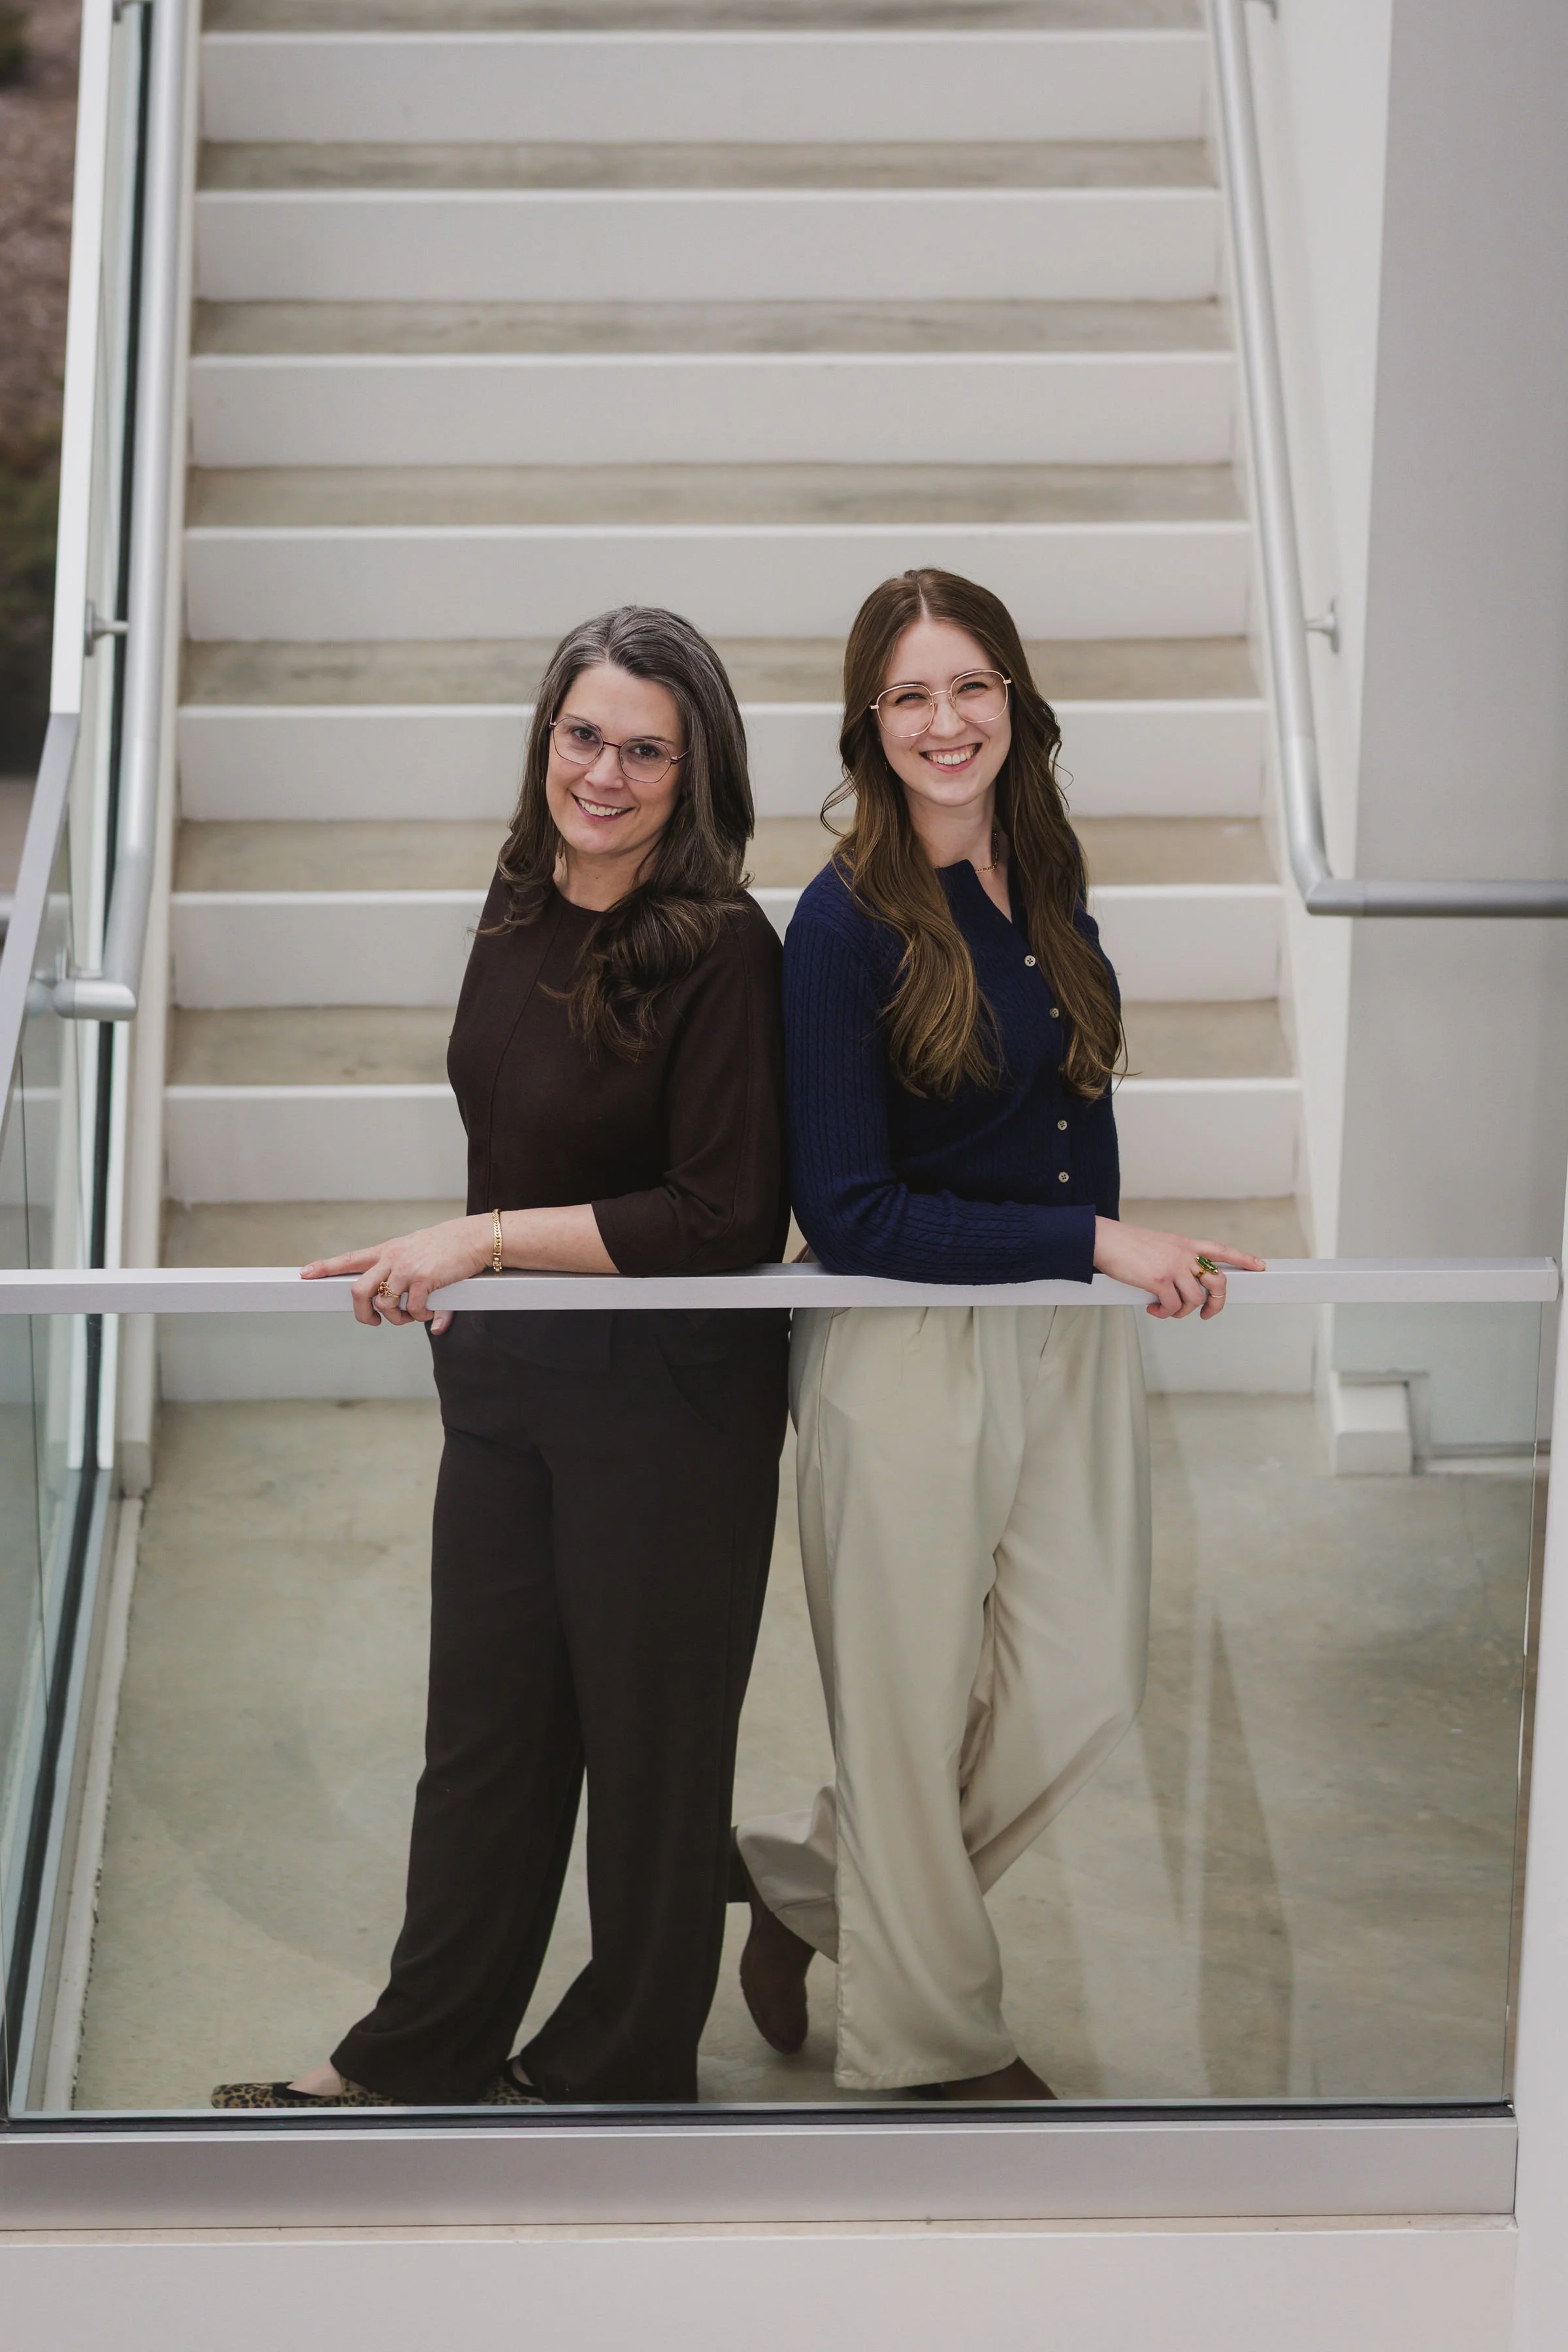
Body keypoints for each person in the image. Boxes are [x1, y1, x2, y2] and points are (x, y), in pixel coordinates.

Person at [215, 606, 789, 2110]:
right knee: (483, 1749)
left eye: (646, 750)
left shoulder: (727, 949)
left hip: (670, 1416)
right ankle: (414, 2062)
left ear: (695, 769)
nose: (605, 771)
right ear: (548, 735)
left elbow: (728, 1215)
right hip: (510, 1393)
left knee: (649, 1764)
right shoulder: (521, 894)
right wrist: (483, 1277)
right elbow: (513, 1120)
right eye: (583, 734)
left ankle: (616, 2067)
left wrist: (476, 1243)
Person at [730, 568, 1264, 2100]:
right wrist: (1100, 1244)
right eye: (909, 696)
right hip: (902, 1349)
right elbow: (850, 1213)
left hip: (1062, 1334)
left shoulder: (1047, 865)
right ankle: (929, 2047)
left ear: (1018, 702)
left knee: (1083, 1675)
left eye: (970, 687)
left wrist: (1093, 1263)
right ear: (868, 725)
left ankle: (805, 1892)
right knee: (902, 1720)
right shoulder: (837, 928)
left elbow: (1059, 1114)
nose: (945, 721)